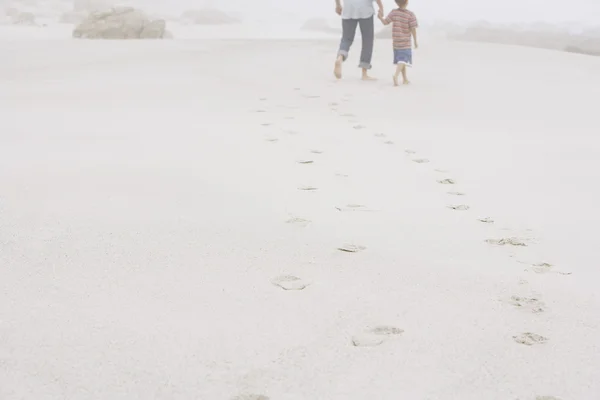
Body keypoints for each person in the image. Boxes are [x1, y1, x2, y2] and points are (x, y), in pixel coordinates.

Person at [334, 0, 385, 80]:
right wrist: (381, 8)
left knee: (346, 38)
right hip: (365, 9)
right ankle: (364, 74)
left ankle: (340, 57)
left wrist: (338, 5)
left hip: (348, 8)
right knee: (367, 40)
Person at [378, 0, 418, 86]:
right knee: (403, 60)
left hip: (396, 42)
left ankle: (405, 79)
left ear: (396, 3)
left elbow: (385, 22)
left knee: (401, 60)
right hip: (405, 42)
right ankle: (396, 75)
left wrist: (380, 17)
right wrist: (415, 41)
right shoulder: (410, 15)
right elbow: (413, 29)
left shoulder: (394, 13)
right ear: (407, 2)